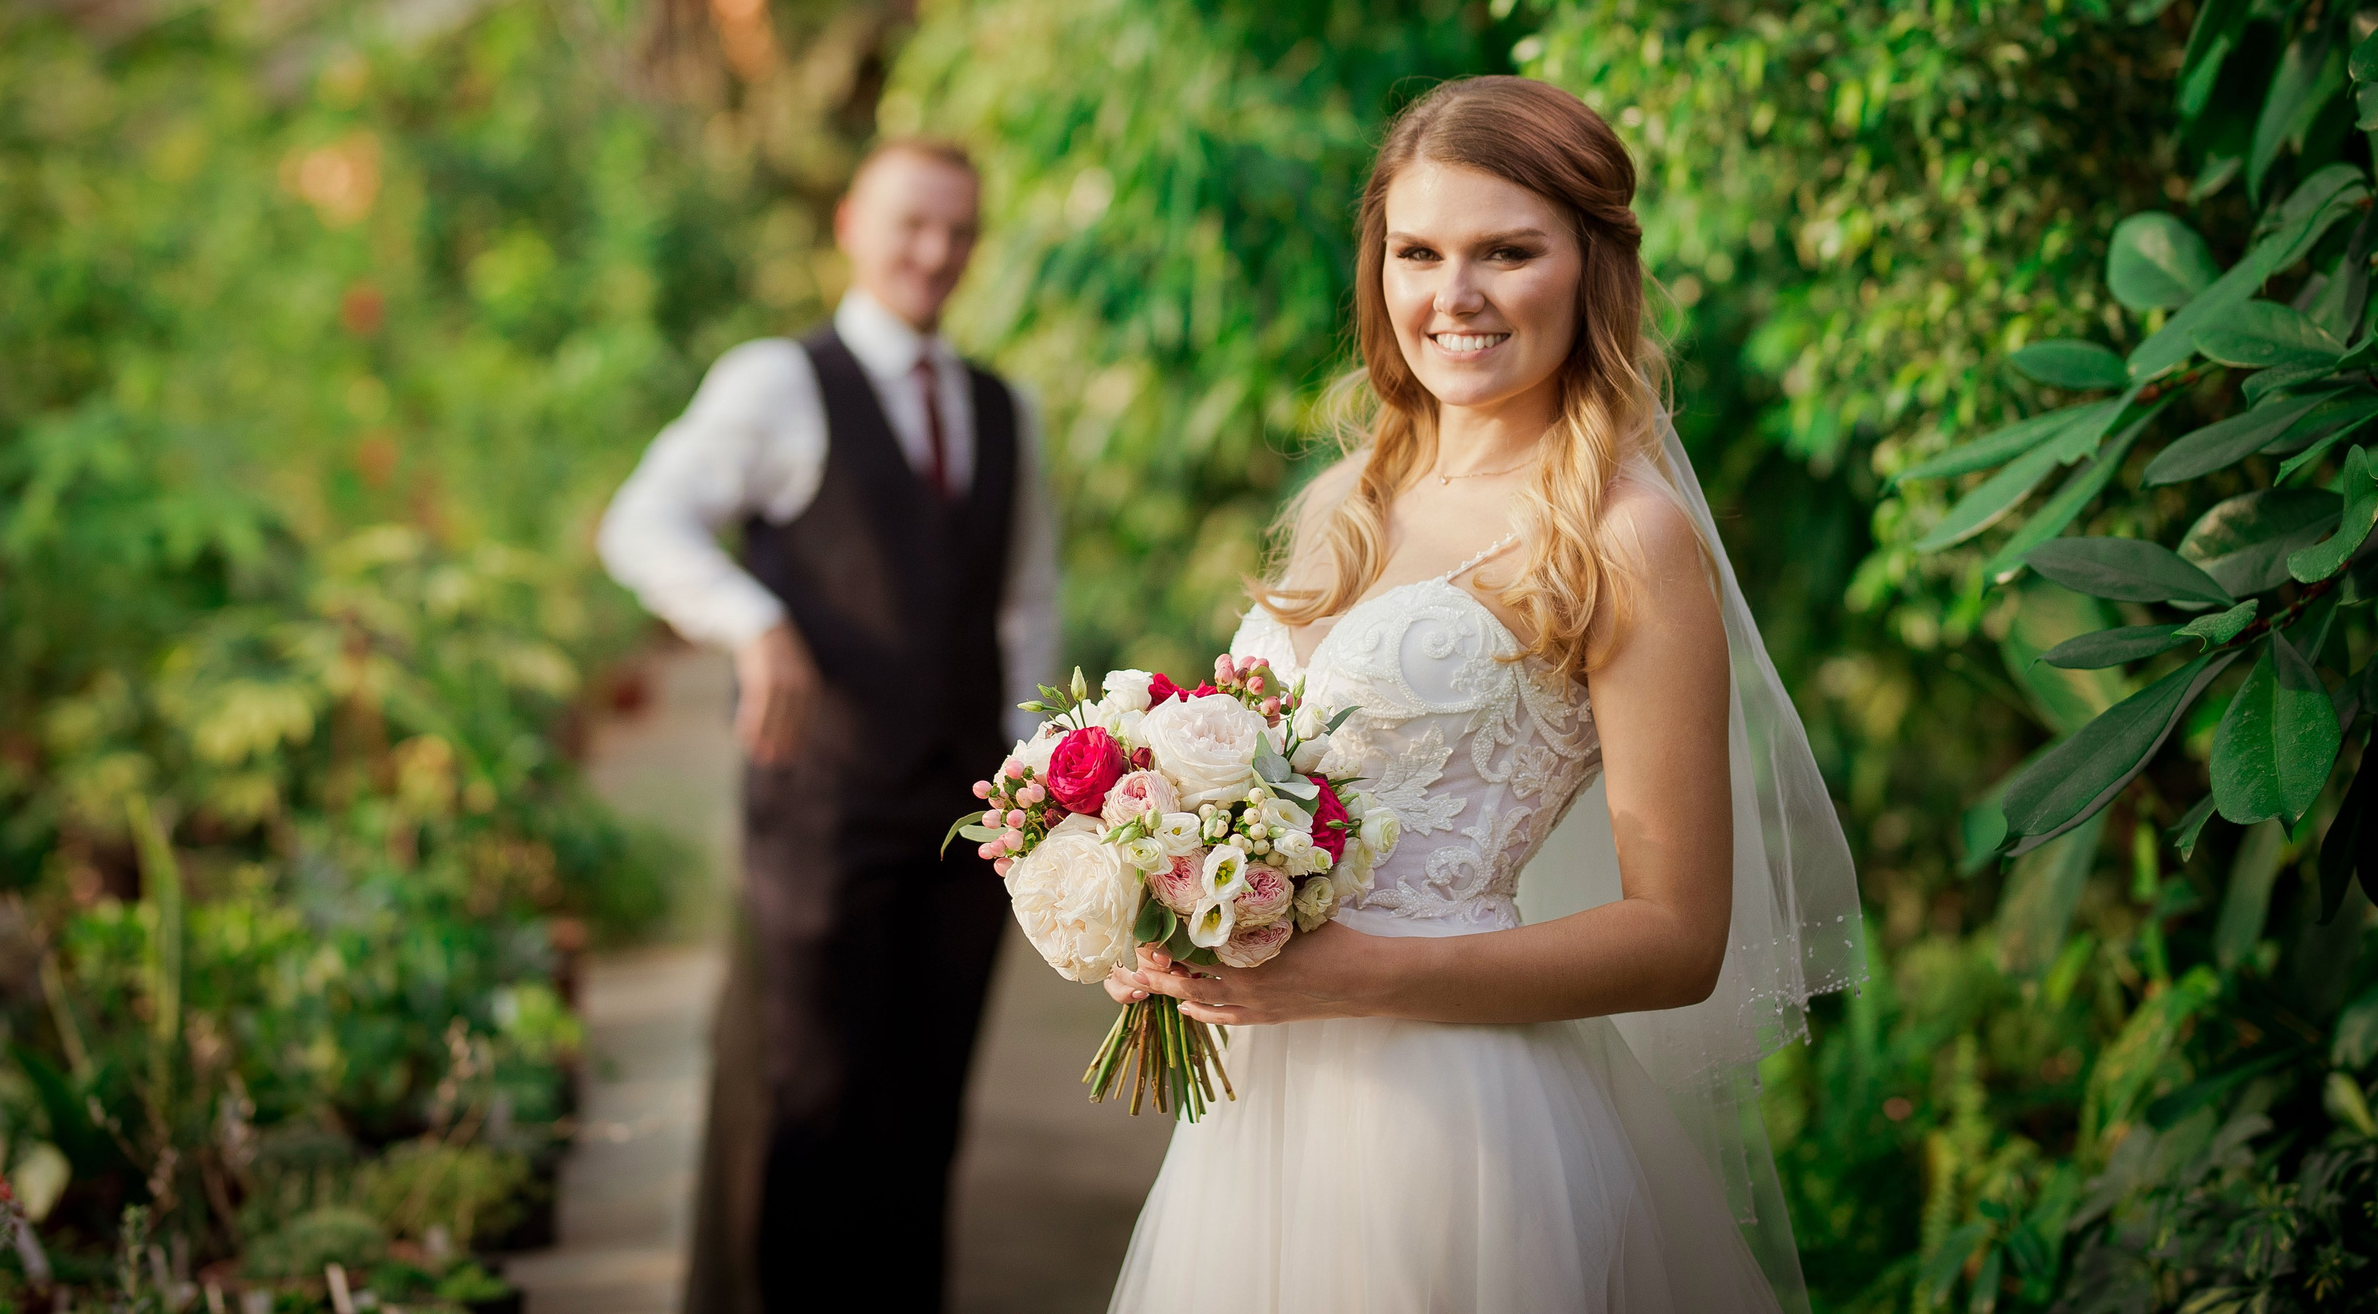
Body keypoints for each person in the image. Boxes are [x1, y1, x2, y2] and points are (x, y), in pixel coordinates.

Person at [1103, 77, 1862, 1313]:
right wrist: (1157, 893)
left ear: (1591, 269)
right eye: (1418, 251)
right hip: (1262, 1116)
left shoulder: (1621, 535)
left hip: (1457, 1129)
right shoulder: (1352, 493)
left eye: (1506, 251)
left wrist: (1349, 973)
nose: (1451, 298)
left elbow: (1678, 935)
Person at [596, 138, 1058, 1314]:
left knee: (928, 1113)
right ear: (851, 220)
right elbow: (642, 522)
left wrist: (1026, 772)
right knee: (820, 1109)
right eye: (911, 223)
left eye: (958, 229)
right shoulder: (775, 381)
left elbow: (1023, 602)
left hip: (968, 824)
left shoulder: (1008, 410)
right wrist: (753, 621)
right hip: (823, 811)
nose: (935, 251)